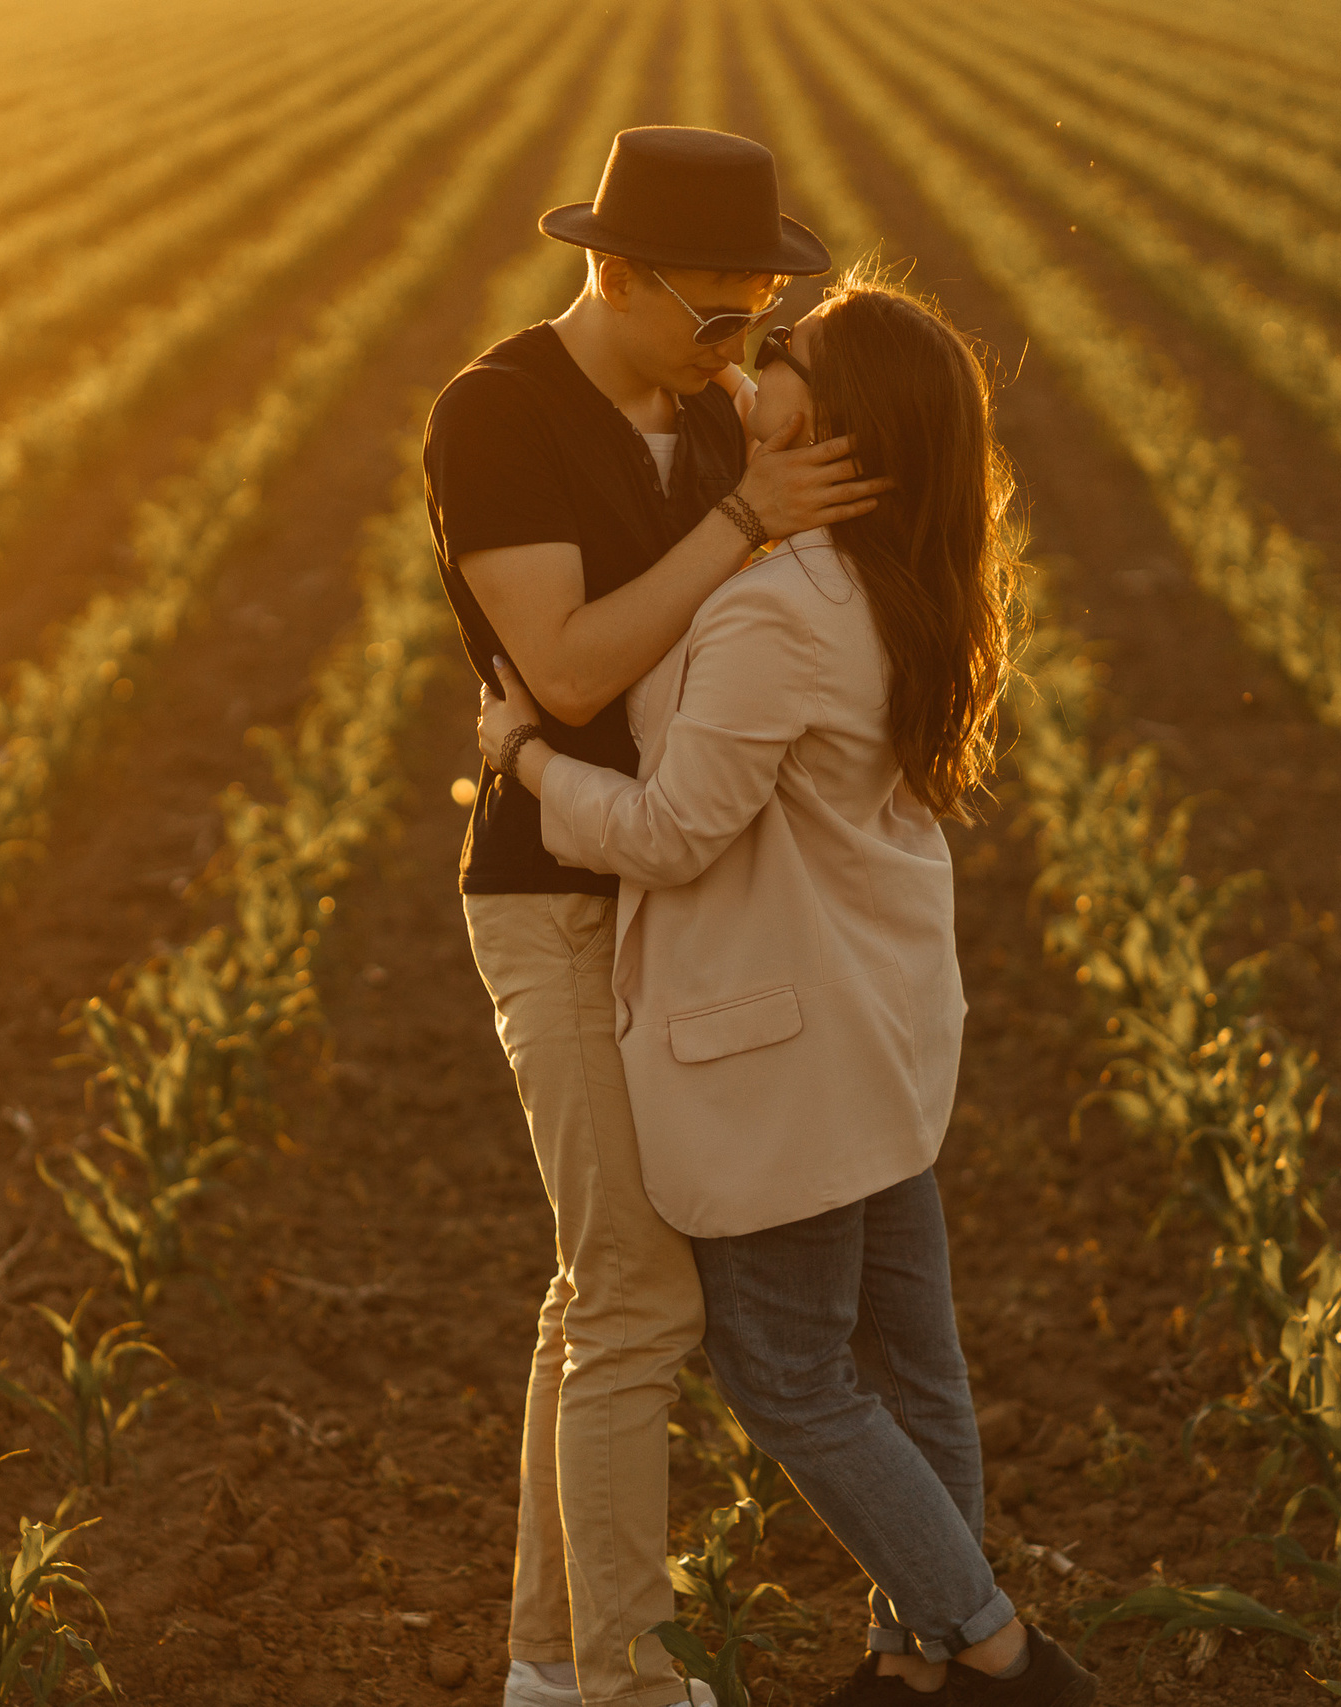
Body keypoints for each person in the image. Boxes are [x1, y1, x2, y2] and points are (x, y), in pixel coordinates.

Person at [473, 274, 1102, 1706]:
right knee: (916, 1362)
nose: (750, 365)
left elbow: (669, 832)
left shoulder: (780, 610)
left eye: (786, 353)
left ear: (839, 420)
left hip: (781, 1046)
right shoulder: (900, 576)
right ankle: (917, 1669)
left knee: (786, 1373)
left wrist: (523, 755)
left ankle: (999, 1654)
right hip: (883, 1020)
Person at [423, 126, 891, 1707]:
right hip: (554, 892)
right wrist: (743, 519)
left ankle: (550, 1668)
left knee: (600, 1288)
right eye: (716, 312)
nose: (740, 344)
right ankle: (627, 1682)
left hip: (684, 892)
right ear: (612, 275)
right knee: (637, 1290)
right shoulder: (497, 414)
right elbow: (564, 672)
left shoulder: (708, 408)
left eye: (761, 313)